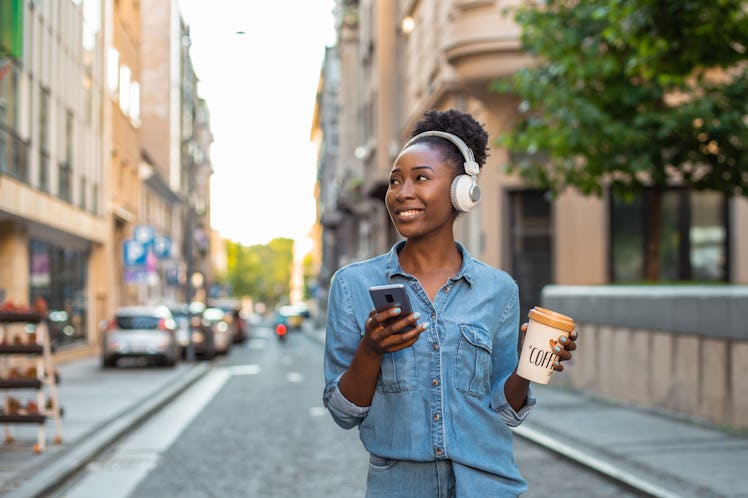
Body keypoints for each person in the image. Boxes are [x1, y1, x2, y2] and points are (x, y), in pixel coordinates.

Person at [322, 109, 578, 497]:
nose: (402, 193)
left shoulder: (499, 290)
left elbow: (504, 411)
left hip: (489, 485)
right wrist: (371, 350)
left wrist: (529, 366)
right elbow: (343, 412)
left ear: (462, 190)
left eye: (421, 178)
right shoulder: (352, 285)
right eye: (395, 181)